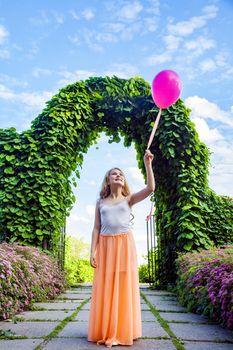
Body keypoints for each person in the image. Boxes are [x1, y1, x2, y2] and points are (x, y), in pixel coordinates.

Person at [87, 149, 155, 348]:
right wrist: (92, 251)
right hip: (106, 246)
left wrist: (148, 164)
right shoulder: (100, 202)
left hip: (124, 245)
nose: (118, 175)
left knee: (123, 287)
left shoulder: (129, 199)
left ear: (124, 181)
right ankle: (106, 329)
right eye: (114, 174)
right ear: (108, 181)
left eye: (121, 174)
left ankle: (123, 330)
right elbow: (96, 228)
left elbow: (151, 188)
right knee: (106, 288)